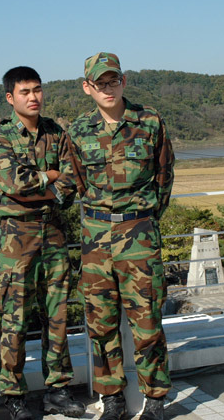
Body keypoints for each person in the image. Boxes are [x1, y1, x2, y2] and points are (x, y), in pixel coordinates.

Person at [65, 52, 174, 420]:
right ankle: (111, 399)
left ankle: (156, 399)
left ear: (123, 81)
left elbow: (164, 176)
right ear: (87, 88)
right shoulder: (78, 131)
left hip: (139, 233)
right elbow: (77, 181)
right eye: (100, 83)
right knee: (101, 322)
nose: (108, 89)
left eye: (113, 81)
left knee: (147, 321)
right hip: (95, 237)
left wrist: (141, 219)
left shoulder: (150, 121)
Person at [0, 66, 85, 420]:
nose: (33, 97)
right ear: (11, 97)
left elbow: (72, 180)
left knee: (57, 314)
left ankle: (58, 389)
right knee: (14, 318)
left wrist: (47, 186)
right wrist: (50, 178)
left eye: (38, 90)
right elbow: (10, 181)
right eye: (25, 91)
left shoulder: (56, 132)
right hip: (17, 237)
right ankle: (13, 394)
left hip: (54, 233)